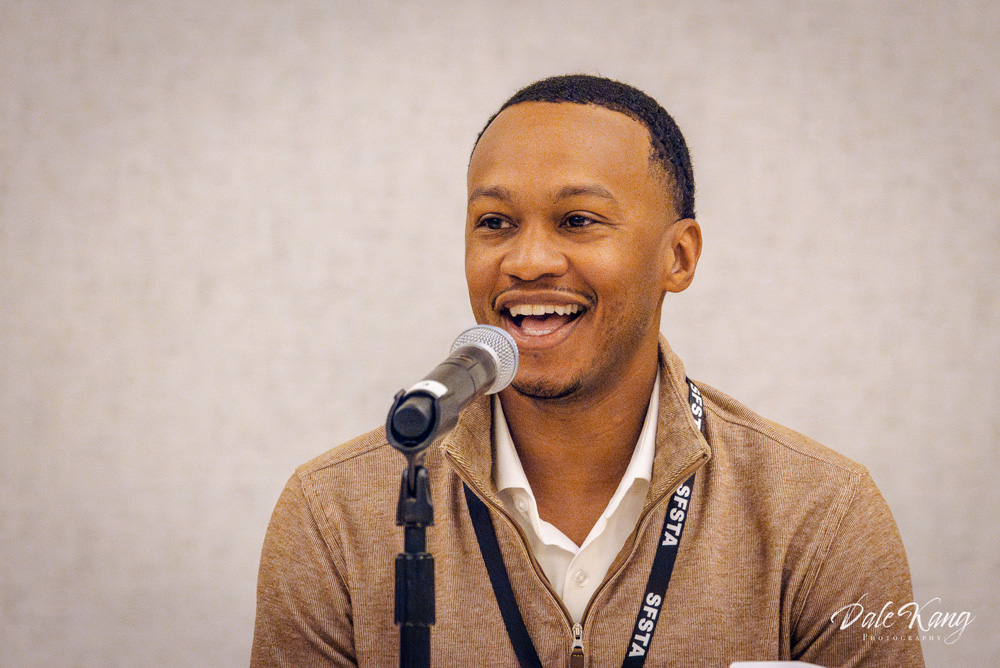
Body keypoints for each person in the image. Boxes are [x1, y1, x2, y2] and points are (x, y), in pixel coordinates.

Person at [251, 75, 924, 667]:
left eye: (577, 220)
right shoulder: (334, 515)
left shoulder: (818, 515)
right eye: (495, 222)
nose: (527, 261)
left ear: (679, 257)